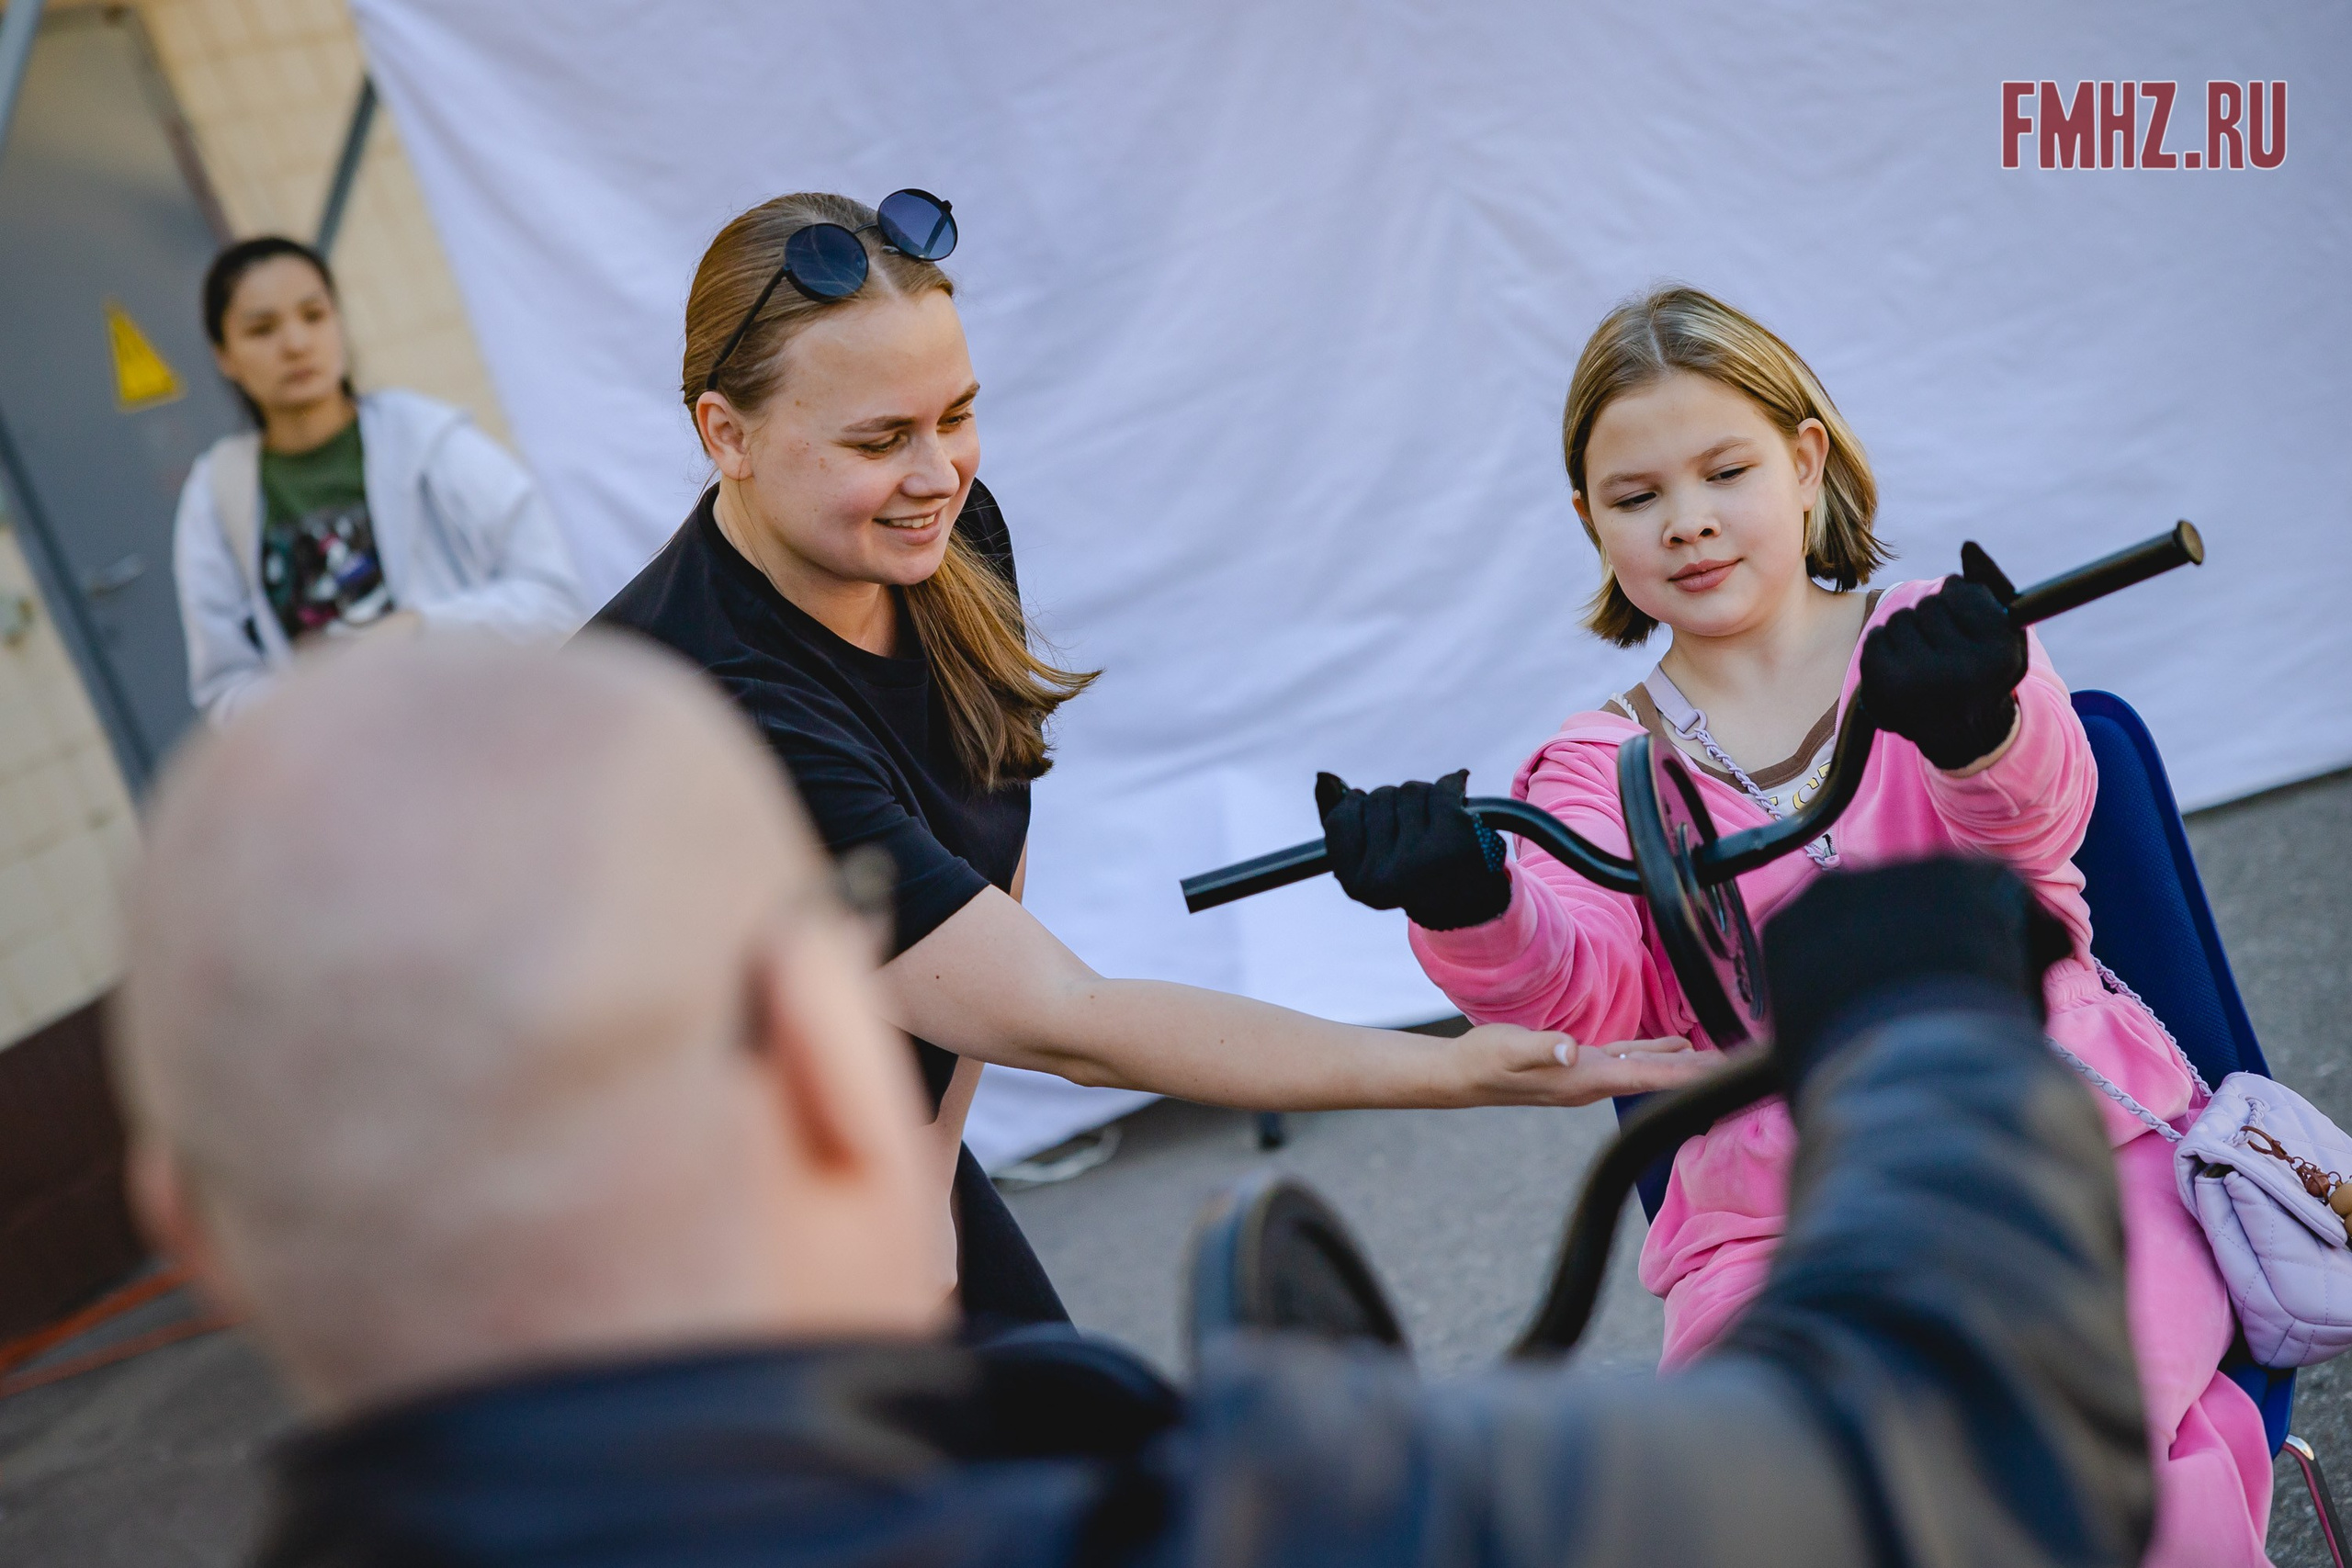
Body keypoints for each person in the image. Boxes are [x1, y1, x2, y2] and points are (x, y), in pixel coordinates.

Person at [109, 633, 2154, 1567]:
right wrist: (1922, 1040)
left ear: (190, 1226)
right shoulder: (1252, 1517)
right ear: (829, 1070)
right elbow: (1959, 1453)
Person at [591, 192, 1708, 1326]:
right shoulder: (706, 712)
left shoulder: (939, 542)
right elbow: (1057, 1016)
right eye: (879, 441)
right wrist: (1451, 1071)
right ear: (725, 434)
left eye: (957, 415)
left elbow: (972, 890)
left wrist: (926, 1165)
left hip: (869, 1145)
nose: (937, 473)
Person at [1316, 285, 2269, 1565]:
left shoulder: (1939, 636)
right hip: (1779, 1222)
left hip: (2060, 1149)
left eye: (1726, 472)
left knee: (2048, 1466)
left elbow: (2033, 830)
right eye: (1637, 495)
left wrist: (1978, 727)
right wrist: (1467, 899)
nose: (1688, 521)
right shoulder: (1596, 767)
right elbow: (1577, 986)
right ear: (1591, 521)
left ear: (1806, 462)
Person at [173, 235, 584, 722]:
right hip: (344, 763)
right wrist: (313, 701)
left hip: (489, 732)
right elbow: (225, 687)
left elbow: (555, 600)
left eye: (314, 315)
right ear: (223, 355)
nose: (296, 343)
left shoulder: (431, 440)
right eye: (262, 329)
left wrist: (417, 628)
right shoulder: (215, 493)